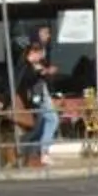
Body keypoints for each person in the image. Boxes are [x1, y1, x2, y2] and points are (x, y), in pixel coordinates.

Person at [17, 26, 59, 166]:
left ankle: (29, 149)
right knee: (52, 120)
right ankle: (43, 152)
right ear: (32, 52)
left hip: (41, 93)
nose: (41, 55)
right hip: (36, 95)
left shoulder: (37, 61)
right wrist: (42, 72)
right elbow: (26, 78)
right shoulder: (26, 63)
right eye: (39, 53)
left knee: (40, 124)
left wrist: (45, 71)